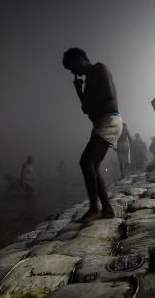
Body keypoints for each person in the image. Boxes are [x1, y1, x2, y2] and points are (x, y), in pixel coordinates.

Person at [62, 47, 122, 222]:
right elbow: (86, 110)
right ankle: (107, 210)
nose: (73, 72)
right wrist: (79, 91)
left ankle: (95, 208)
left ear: (80, 58)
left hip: (109, 121)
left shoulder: (99, 69)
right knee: (93, 166)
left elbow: (109, 97)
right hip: (100, 123)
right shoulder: (87, 80)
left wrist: (92, 106)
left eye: (72, 67)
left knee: (86, 161)